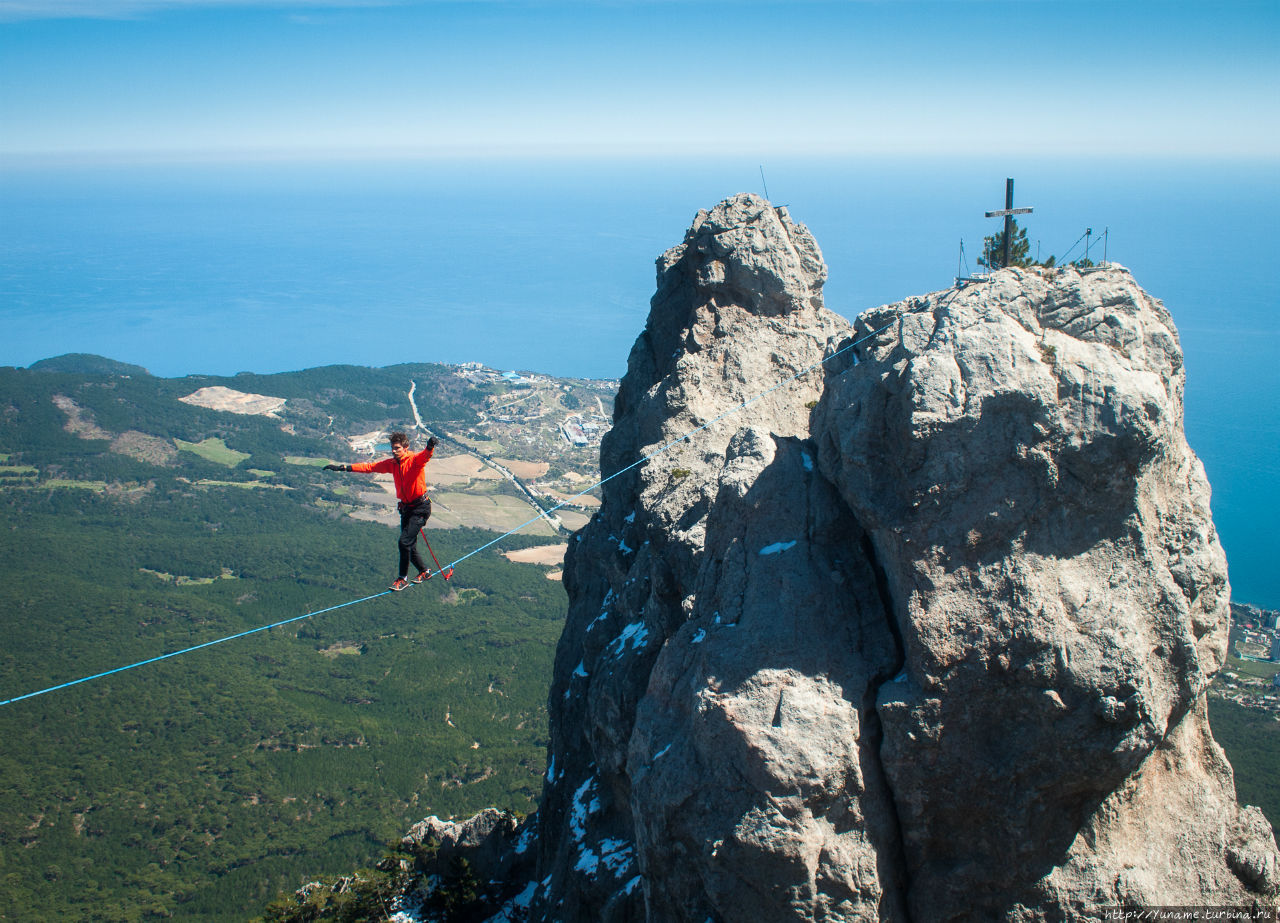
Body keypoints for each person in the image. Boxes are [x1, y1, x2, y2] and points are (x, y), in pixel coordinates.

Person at [325, 432, 437, 591]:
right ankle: (424, 572)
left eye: (397, 448)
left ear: (406, 448)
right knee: (409, 546)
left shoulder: (413, 461)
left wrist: (430, 446)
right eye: (392, 448)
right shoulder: (392, 464)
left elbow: (425, 456)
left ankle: (402, 578)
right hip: (407, 509)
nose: (393, 451)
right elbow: (369, 467)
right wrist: (343, 468)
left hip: (420, 508)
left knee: (404, 542)